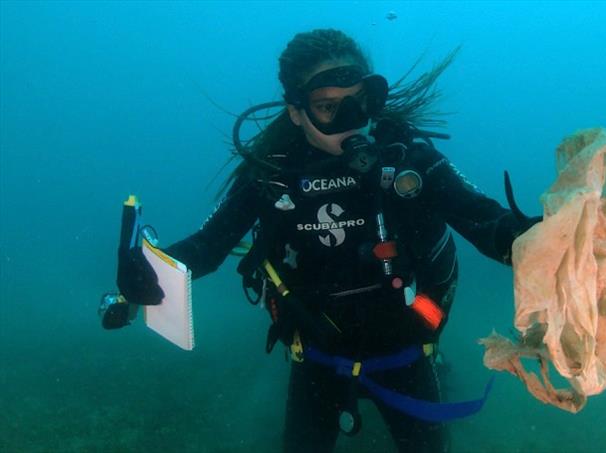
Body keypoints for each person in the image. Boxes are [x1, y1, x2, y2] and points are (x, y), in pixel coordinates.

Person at [116, 29, 540, 453]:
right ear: (297, 113)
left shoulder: (409, 160)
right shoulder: (272, 175)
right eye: (327, 108)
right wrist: (148, 270)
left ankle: (439, 369)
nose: (351, 121)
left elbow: (489, 224)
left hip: (407, 351)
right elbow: (206, 247)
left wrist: (556, 243)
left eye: (359, 102)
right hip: (317, 357)